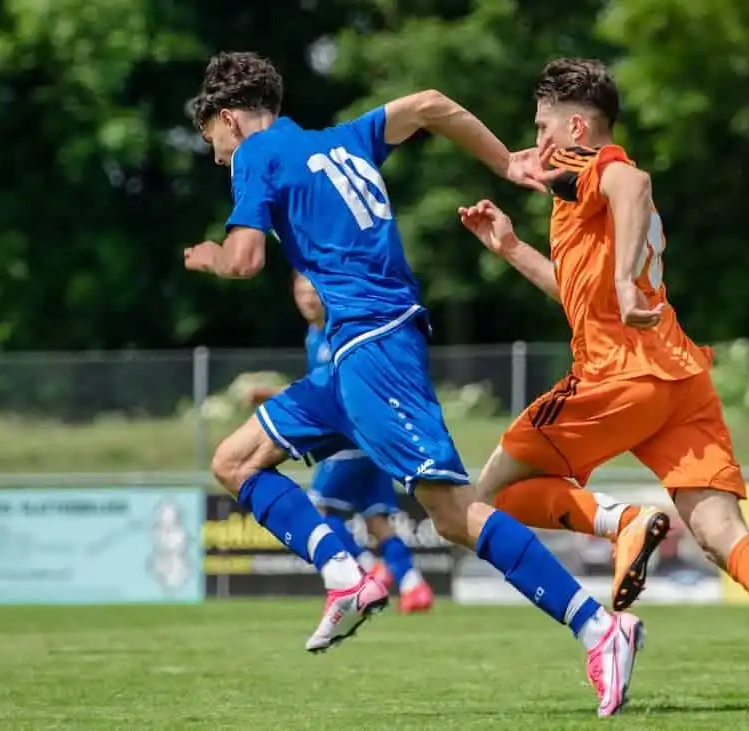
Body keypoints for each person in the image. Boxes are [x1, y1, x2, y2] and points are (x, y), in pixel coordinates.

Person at [184, 51, 643, 717]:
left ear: (229, 118)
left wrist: (214, 257)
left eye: (213, 144)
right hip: (348, 359)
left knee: (453, 514)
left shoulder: (259, 155)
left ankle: (600, 626)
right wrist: (504, 162)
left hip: (375, 347)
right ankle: (346, 573)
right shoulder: (341, 140)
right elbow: (429, 101)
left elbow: (248, 258)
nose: (220, 159)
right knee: (233, 460)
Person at [456, 57, 749, 716]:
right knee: (724, 533)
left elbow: (633, 184)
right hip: (678, 376)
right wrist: (513, 248)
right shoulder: (575, 192)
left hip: (618, 374)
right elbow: (581, 295)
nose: (538, 142)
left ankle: (622, 521)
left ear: (577, 125)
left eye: (544, 126)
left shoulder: (594, 165)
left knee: (479, 498)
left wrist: (627, 280)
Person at [249, 273, 435, 614]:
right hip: (371, 443)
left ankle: (366, 570)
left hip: (349, 438)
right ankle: (413, 584)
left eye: (312, 291)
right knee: (377, 520)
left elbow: (337, 392)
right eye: (299, 291)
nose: (306, 298)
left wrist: (276, 396)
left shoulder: (340, 331)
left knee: (317, 509)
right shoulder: (315, 334)